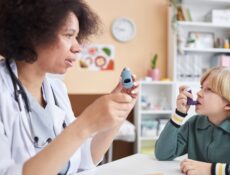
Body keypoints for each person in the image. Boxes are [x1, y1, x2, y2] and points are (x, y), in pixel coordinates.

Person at [0, 0, 139, 174]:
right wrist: (84, 124)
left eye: (77, 37)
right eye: (68, 35)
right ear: (34, 33)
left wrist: (121, 111)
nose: (78, 47)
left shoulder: (56, 90)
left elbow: (84, 159)